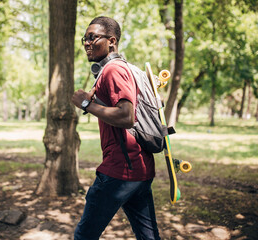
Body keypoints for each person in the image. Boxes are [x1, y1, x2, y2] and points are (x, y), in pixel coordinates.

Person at [71, 16, 161, 240]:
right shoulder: (126, 69)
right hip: (140, 171)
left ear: (112, 41)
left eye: (93, 37)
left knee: (84, 236)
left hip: (119, 172)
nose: (87, 43)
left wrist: (85, 104)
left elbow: (126, 116)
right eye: (85, 38)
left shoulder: (113, 70)